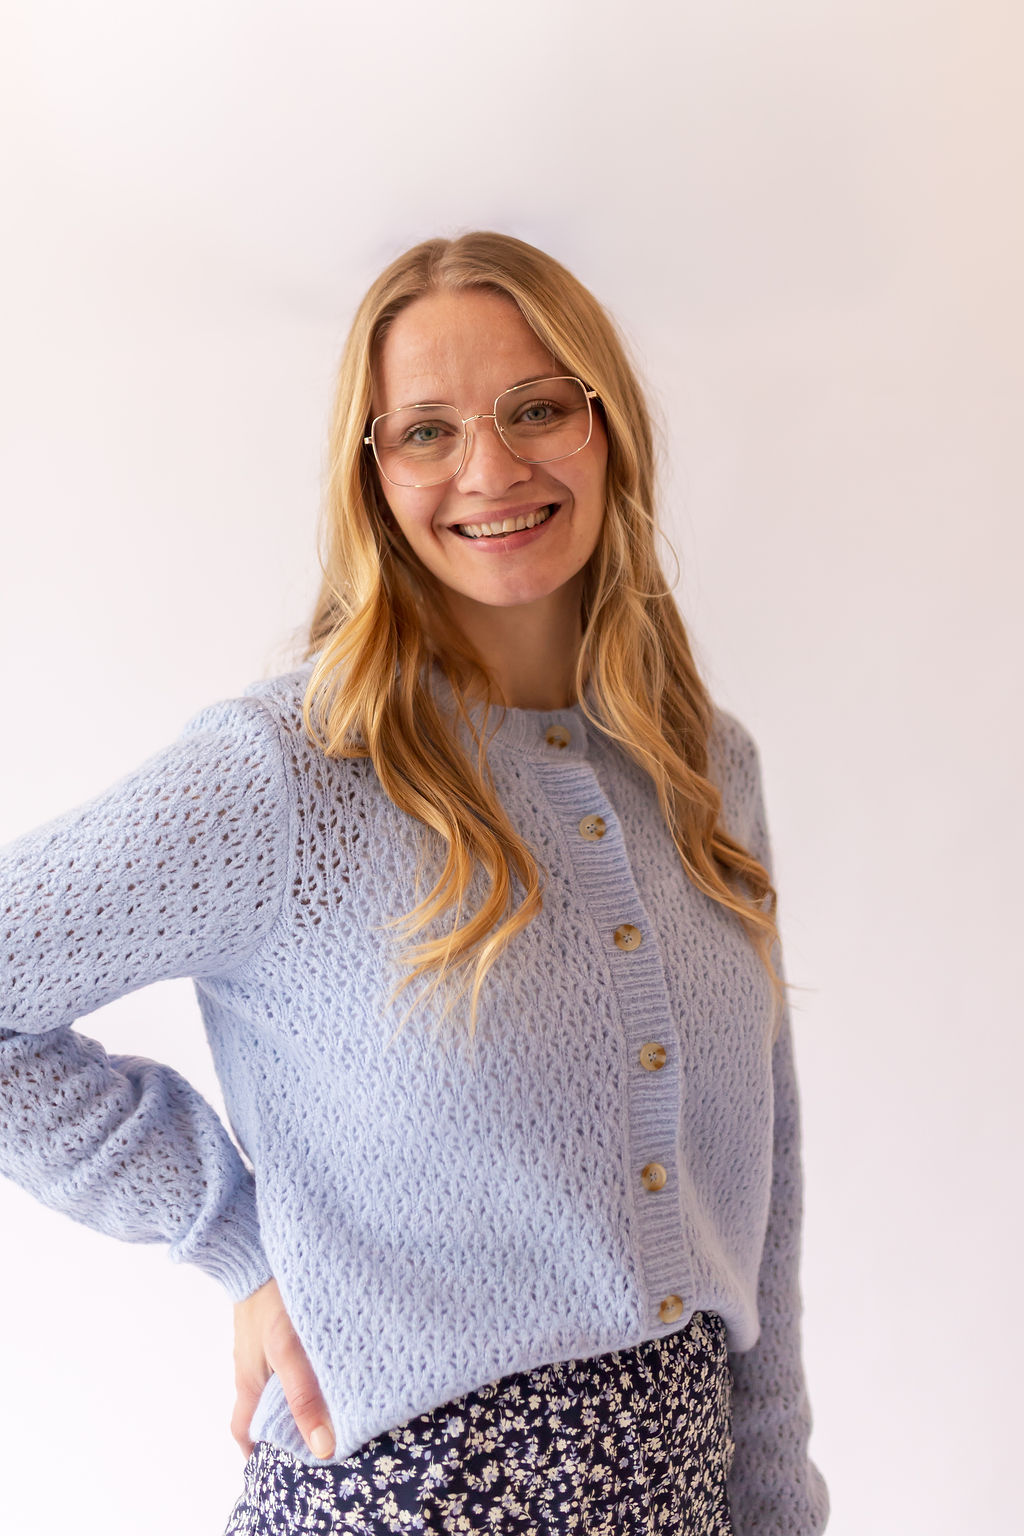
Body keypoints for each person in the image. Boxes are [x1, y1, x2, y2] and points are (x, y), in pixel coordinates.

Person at [0, 231, 829, 1535]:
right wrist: (238, 1241)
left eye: (537, 408)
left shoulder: (701, 765)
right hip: (400, 1496)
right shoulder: (289, 771)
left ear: (607, 426)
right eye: (428, 432)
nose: (491, 469)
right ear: (372, 473)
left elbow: (764, 1190)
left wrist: (777, 1502)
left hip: (677, 1488)